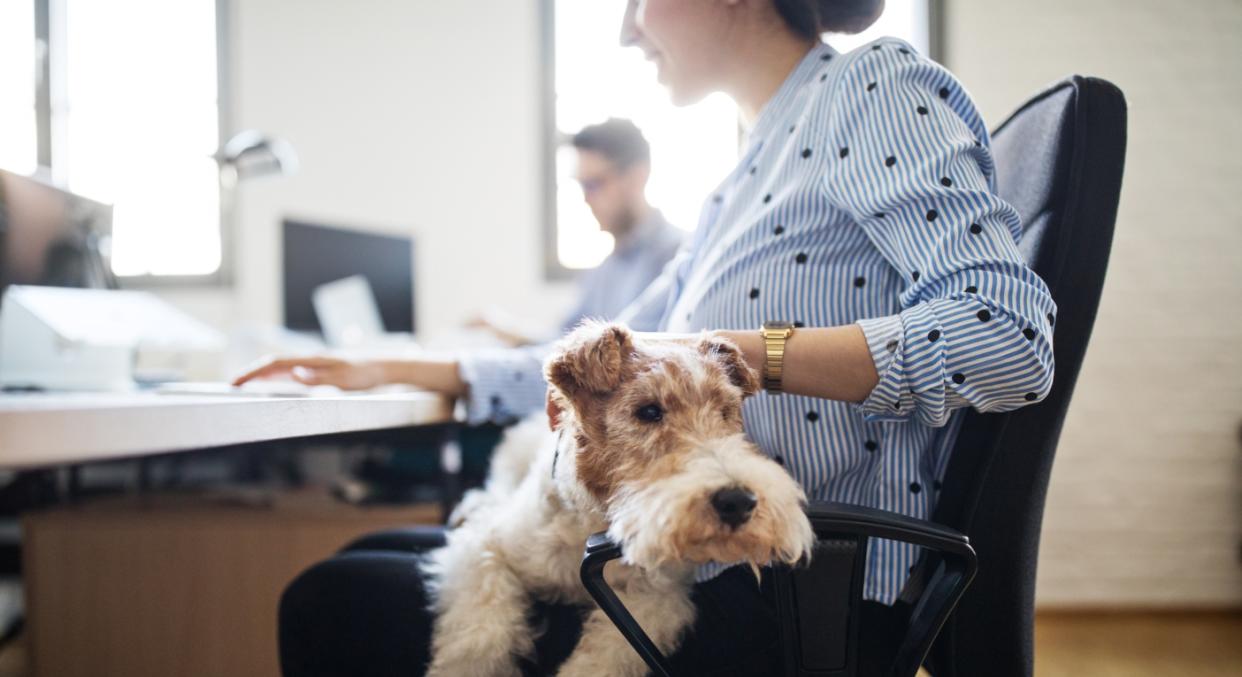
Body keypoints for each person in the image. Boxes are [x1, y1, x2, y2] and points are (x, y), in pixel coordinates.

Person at [241, 1, 1058, 674]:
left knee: (328, 595)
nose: (629, 28)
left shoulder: (874, 89)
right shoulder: (737, 184)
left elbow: (1010, 334)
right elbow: (610, 366)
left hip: (785, 593)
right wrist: (393, 364)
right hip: (676, 549)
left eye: (637, 0)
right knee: (376, 549)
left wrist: (755, 357)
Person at [471, 118, 683, 347]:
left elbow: (628, 355)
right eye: (581, 186)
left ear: (636, 177)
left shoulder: (677, 256)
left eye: (594, 184)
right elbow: (566, 342)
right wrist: (506, 331)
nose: (586, 199)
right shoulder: (605, 269)